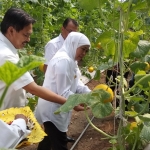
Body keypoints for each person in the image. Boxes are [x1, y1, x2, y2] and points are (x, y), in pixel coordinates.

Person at [0, 8, 84, 112]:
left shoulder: (5, 47)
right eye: (26, 35)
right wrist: (70, 103)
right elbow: (33, 88)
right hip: (5, 117)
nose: (28, 39)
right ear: (11, 30)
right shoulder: (6, 56)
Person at [36, 32, 91, 150]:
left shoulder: (71, 60)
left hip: (56, 107)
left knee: (48, 140)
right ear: (73, 44)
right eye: (83, 49)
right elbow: (64, 92)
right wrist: (82, 100)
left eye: (86, 51)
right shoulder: (64, 61)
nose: (84, 53)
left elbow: (76, 82)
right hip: (53, 109)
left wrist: (90, 93)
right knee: (60, 144)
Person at [43, 18, 81, 142]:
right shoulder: (53, 45)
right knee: (53, 122)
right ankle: (60, 138)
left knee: (60, 120)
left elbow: (74, 70)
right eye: (69, 31)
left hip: (66, 86)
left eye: (75, 33)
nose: (72, 35)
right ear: (62, 29)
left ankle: (62, 136)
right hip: (54, 90)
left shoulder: (74, 47)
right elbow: (47, 68)